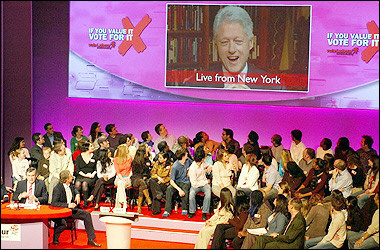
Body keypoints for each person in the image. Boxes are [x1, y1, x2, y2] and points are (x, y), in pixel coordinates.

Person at [207, 6, 268, 90]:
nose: (232, 50)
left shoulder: (274, 87)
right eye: (225, 42)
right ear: (216, 46)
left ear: (250, 43)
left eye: (238, 41)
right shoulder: (194, 85)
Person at [51, 170, 101, 247]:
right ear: (66, 179)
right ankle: (55, 238)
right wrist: (68, 205)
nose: (72, 177)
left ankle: (91, 239)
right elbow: (54, 203)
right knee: (63, 224)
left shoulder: (70, 185)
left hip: (71, 211)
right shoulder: (57, 188)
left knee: (87, 215)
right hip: (61, 212)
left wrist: (77, 194)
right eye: (70, 176)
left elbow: (75, 189)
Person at [163, 148, 192, 217]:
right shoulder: (175, 166)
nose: (187, 154)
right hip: (177, 182)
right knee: (169, 189)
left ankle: (184, 208)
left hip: (186, 181)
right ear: (182, 156)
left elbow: (194, 165)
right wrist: (179, 190)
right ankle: (167, 210)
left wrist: (190, 169)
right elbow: (171, 181)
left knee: (186, 188)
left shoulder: (188, 161)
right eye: (185, 153)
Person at [188, 147, 212, 220]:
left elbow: (210, 165)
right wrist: (206, 182)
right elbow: (194, 183)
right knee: (191, 194)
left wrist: (209, 168)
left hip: (204, 184)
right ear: (201, 159)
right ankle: (192, 211)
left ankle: (205, 212)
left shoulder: (203, 163)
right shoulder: (192, 168)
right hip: (196, 185)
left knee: (208, 192)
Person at [48, 140, 74, 204]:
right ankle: (51, 201)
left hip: (67, 174)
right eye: (63, 150)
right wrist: (60, 177)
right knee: (54, 181)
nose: (65, 150)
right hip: (57, 175)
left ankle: (71, 201)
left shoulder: (68, 153)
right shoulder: (53, 156)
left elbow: (71, 166)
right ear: (59, 152)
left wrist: (69, 175)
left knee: (71, 180)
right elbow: (52, 170)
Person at [74, 142, 97, 208]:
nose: (93, 147)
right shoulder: (79, 156)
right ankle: (76, 202)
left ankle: (85, 201)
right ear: (87, 148)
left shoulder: (94, 156)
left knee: (84, 183)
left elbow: (96, 168)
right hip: (81, 175)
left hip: (91, 175)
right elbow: (77, 170)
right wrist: (86, 175)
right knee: (77, 184)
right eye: (91, 146)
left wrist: (92, 174)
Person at [131, 146, 152, 213]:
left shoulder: (147, 160)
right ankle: (148, 199)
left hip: (143, 180)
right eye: (145, 153)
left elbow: (149, 172)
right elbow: (136, 173)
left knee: (142, 185)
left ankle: (139, 207)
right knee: (141, 181)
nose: (146, 154)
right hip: (136, 179)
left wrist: (145, 175)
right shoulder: (135, 162)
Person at [113, 144, 133, 208]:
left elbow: (131, 170)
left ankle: (119, 204)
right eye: (127, 148)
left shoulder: (130, 158)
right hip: (119, 178)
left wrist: (128, 177)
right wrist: (123, 179)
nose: (128, 150)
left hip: (128, 178)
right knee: (120, 182)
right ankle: (124, 202)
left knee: (120, 185)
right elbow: (118, 172)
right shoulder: (116, 159)